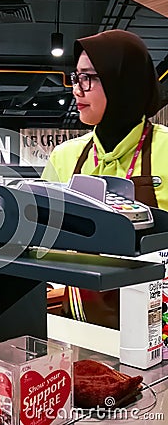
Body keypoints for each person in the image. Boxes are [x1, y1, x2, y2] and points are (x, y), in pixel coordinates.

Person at [41, 29, 168, 329]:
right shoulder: (65, 157)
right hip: (82, 324)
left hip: (159, 323)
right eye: (76, 77)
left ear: (122, 81)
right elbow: (42, 241)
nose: (76, 90)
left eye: (88, 78)